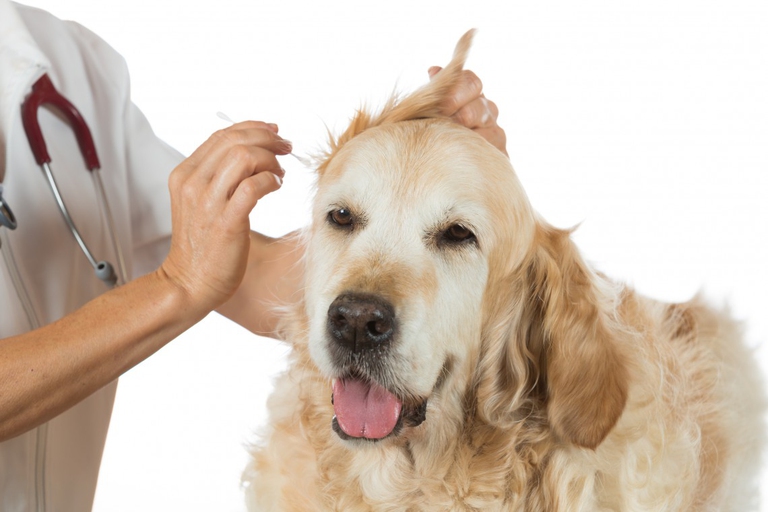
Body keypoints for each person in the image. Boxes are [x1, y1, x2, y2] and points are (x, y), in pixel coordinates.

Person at [0, 1, 507, 510]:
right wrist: (176, 289)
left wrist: (459, 200)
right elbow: (191, 276)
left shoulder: (68, 63)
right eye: (342, 219)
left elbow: (245, 274)